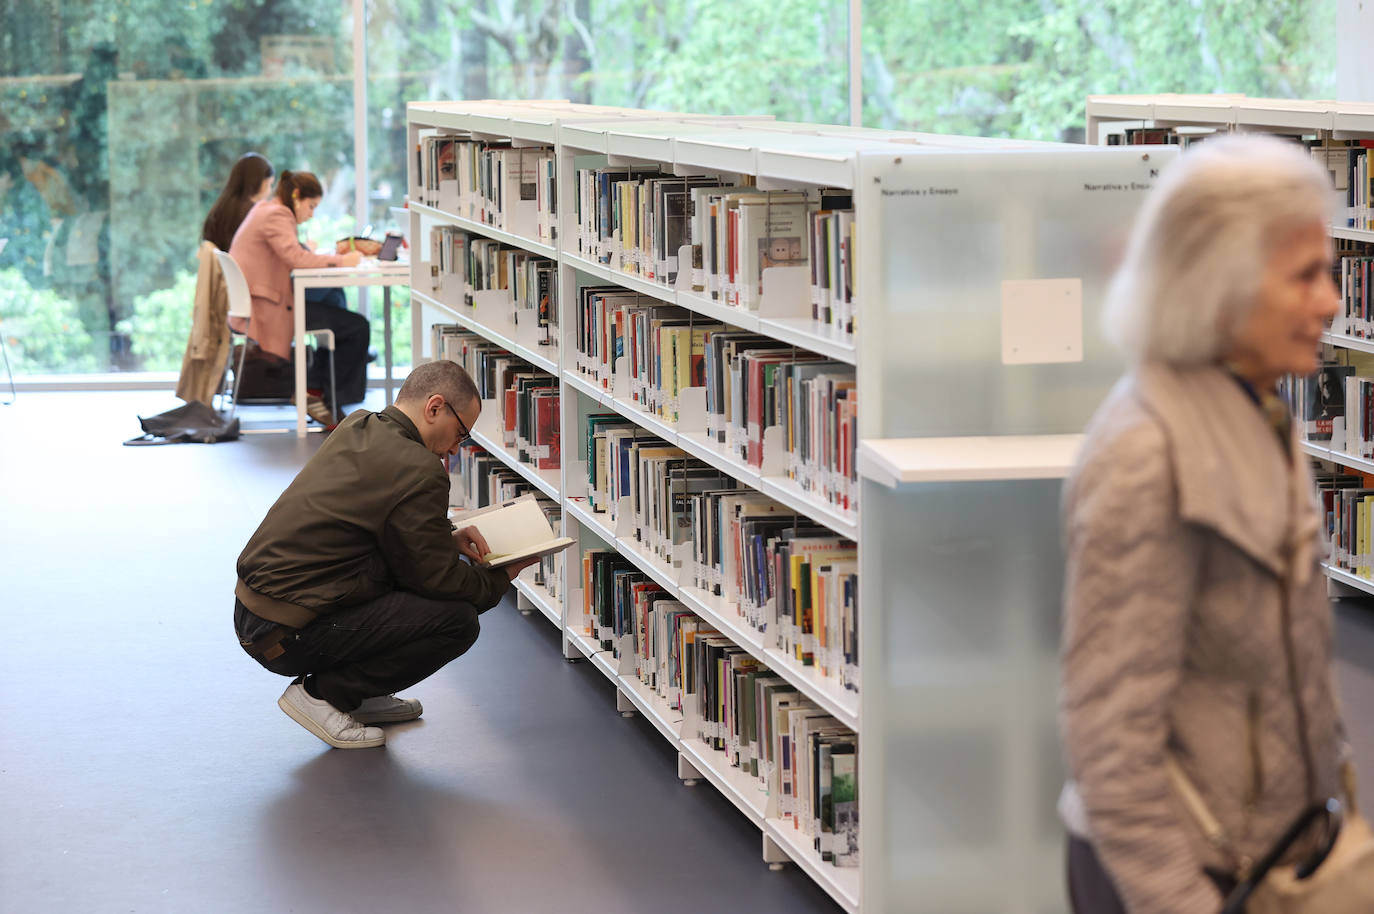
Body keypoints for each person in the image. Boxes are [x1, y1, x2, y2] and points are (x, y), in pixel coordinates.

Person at [1058, 134, 1355, 913]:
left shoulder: (1259, 409)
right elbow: (1109, 738)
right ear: (1219, 288)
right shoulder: (1146, 454)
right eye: (1303, 276)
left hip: (1268, 856)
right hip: (1171, 878)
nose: (1330, 301)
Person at [233, 360, 541, 748]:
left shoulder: (360, 424)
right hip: (287, 632)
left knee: (404, 576)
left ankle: (360, 696)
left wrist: (446, 536)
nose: (453, 449)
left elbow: (382, 522)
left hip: (256, 616)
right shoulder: (422, 468)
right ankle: (324, 695)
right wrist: (500, 577)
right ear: (434, 408)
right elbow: (437, 579)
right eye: (460, 434)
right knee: (456, 620)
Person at [228, 170, 369, 424]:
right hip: (267, 309)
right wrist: (341, 260)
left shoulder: (266, 209)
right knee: (357, 326)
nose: (312, 214)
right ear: (296, 197)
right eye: (311, 206)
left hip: (261, 300)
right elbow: (296, 260)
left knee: (334, 295)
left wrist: (311, 253)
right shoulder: (277, 215)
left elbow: (291, 254)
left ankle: (316, 390)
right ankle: (326, 396)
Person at [201, 152, 274, 253]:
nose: (270, 191)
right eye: (270, 184)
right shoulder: (251, 214)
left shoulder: (222, 206)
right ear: (261, 182)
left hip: (224, 267)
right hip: (242, 266)